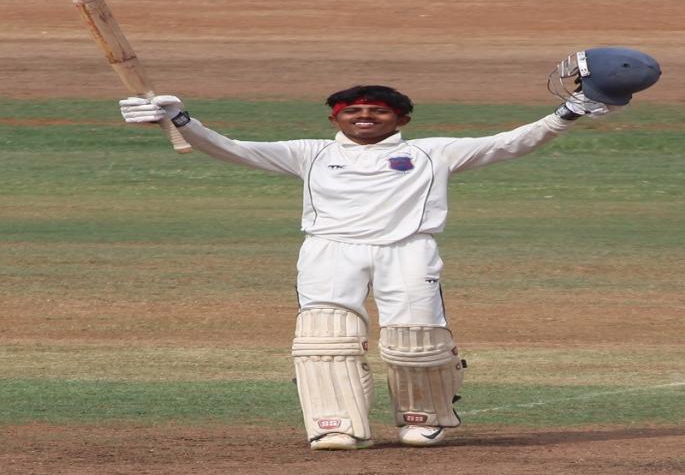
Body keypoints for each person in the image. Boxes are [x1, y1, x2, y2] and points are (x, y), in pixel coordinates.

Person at [119, 84, 617, 450]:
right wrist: (181, 118)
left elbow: (512, 141)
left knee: (416, 339)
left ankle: (424, 417)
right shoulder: (309, 154)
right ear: (334, 119)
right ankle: (335, 425)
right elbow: (231, 148)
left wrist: (566, 113)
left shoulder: (432, 153)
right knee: (325, 339)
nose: (364, 117)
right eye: (352, 111)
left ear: (401, 119)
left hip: (408, 250)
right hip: (330, 251)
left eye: (377, 111)